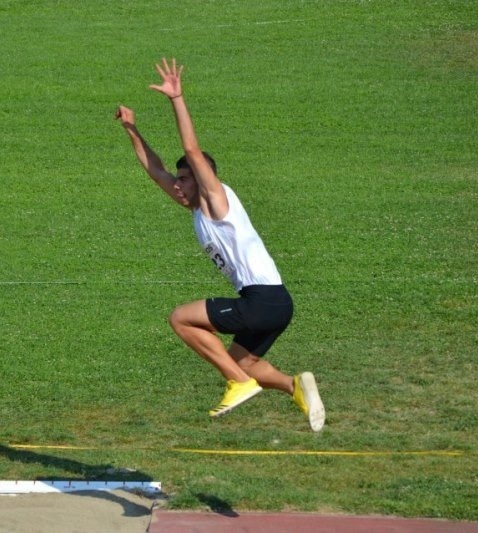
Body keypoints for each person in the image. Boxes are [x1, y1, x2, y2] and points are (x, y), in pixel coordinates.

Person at [115, 58, 325, 431]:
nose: (178, 185)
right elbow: (156, 170)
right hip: (277, 303)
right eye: (179, 180)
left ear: (202, 178)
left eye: (186, 179)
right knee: (244, 360)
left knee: (180, 318)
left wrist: (176, 99)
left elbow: (192, 152)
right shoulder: (196, 208)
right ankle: (294, 386)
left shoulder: (217, 201)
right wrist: (132, 130)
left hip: (261, 301)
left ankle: (238, 384)